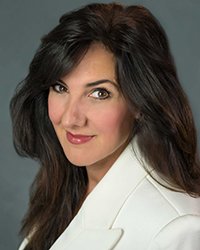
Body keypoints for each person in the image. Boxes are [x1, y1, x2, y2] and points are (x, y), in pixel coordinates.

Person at [10, 3, 200, 250]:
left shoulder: (177, 230)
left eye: (99, 93)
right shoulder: (61, 191)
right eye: (60, 88)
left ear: (140, 102)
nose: (70, 118)